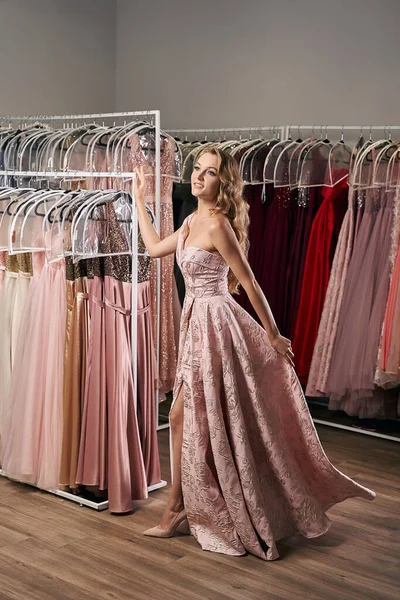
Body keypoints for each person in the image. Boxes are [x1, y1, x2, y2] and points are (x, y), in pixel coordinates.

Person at [134, 147, 375, 561]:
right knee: (180, 415)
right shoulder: (191, 220)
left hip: (217, 324)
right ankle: (176, 507)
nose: (197, 177)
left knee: (198, 415)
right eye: (196, 169)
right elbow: (155, 249)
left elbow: (249, 282)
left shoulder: (219, 226)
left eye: (208, 173)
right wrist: (139, 200)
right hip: (196, 322)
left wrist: (275, 336)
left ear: (221, 183)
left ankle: (180, 508)